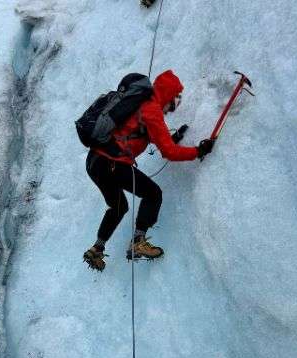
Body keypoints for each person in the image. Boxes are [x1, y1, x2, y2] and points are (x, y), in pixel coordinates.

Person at [83, 70, 214, 271]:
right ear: (169, 95)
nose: (173, 108)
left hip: (95, 162)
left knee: (118, 207)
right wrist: (198, 151)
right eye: (175, 101)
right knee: (153, 194)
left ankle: (97, 249)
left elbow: (150, 137)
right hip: (112, 163)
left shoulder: (140, 106)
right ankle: (138, 241)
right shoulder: (152, 109)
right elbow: (169, 152)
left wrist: (174, 138)